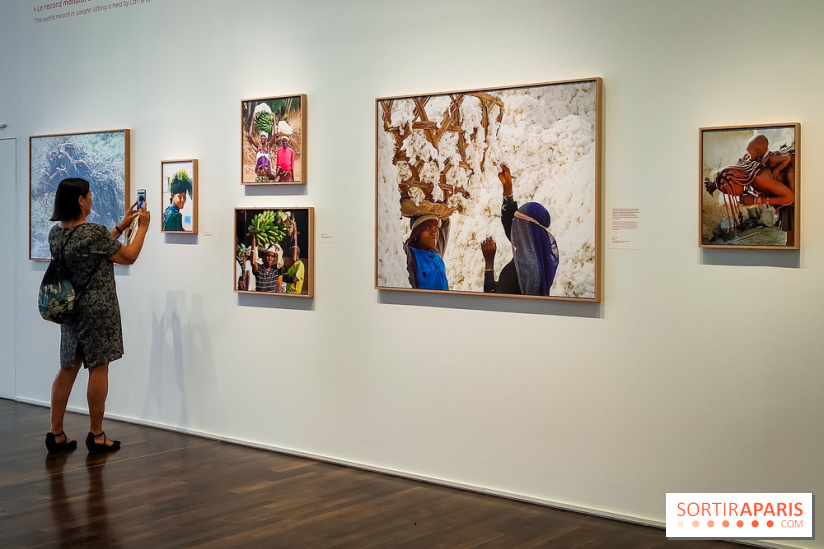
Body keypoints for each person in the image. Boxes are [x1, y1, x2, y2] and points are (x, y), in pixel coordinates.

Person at [45, 177, 150, 453]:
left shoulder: (56, 234)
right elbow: (128, 256)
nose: (91, 197)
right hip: (97, 311)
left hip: (70, 311)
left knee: (68, 368)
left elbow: (93, 250)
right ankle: (97, 434)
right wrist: (143, 227)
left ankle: (56, 433)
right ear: (80, 200)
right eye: (89, 194)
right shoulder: (94, 233)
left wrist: (121, 226)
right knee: (98, 368)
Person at [481, 165, 559, 296]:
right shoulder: (540, 252)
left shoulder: (521, 271)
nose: (515, 228)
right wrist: (508, 191)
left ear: (525, 232)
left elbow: (492, 299)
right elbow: (511, 227)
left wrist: (489, 262)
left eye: (518, 225)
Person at [404, 214, 450, 290]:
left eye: (436, 228)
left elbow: (445, 222)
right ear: (417, 233)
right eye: (428, 228)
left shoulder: (436, 255)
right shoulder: (409, 255)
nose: (434, 232)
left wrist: (434, 210)